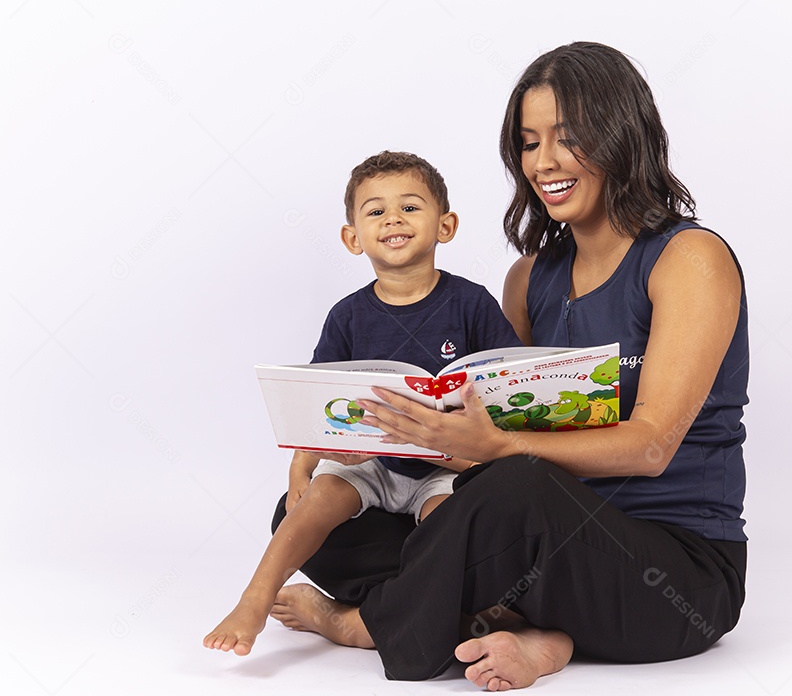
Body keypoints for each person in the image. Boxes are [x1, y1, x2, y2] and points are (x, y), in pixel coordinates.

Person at [265, 42, 750, 691]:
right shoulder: (528, 279)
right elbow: (478, 430)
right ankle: (536, 631)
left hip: (673, 575)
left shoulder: (689, 259)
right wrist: (398, 438)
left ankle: (372, 623)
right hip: (541, 546)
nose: (543, 162)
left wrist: (493, 446)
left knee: (516, 485)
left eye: (568, 137)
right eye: (527, 143)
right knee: (309, 511)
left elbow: (654, 444)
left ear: (622, 135)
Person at [203, 150, 522, 655]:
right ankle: (254, 597)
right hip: (368, 458)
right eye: (375, 211)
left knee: (449, 528)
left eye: (410, 207)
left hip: (445, 465)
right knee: (316, 501)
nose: (393, 219)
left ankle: (383, 616)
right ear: (353, 237)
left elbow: (505, 384)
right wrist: (300, 470)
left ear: (446, 225)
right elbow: (316, 404)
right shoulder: (348, 316)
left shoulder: (471, 302)